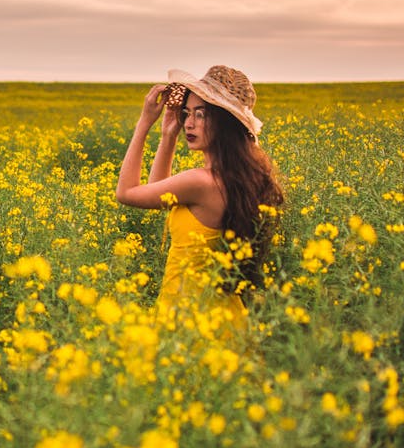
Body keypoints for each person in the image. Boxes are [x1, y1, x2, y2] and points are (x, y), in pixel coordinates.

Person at [116, 65, 284, 329]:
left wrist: (144, 122)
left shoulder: (200, 181)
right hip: (217, 315)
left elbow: (126, 193)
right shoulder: (234, 178)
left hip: (191, 320)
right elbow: (160, 194)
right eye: (187, 113)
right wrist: (168, 136)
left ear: (225, 123)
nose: (189, 124)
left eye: (201, 114)